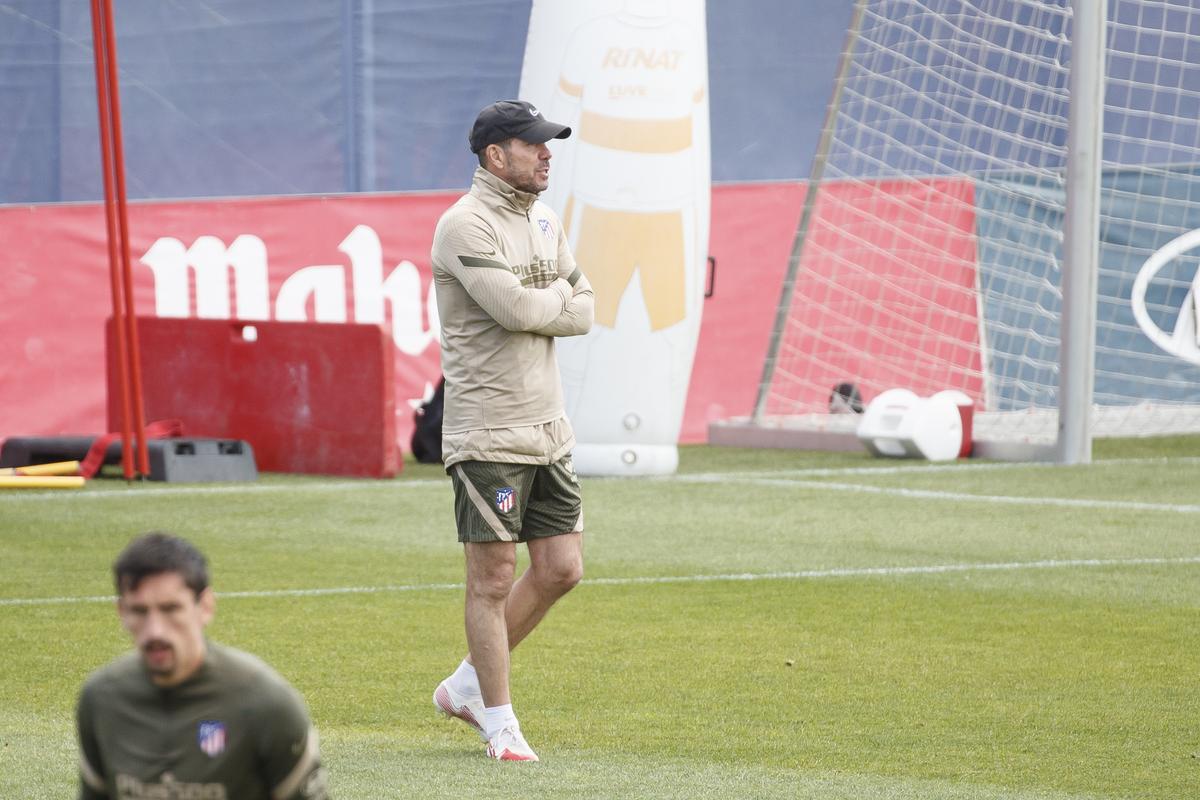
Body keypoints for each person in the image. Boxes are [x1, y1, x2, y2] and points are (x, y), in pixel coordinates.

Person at [429, 99, 595, 762]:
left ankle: (468, 684)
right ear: (497, 156)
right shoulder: (462, 226)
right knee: (493, 578)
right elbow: (518, 307)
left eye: (549, 143)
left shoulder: (546, 219)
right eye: (535, 145)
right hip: (489, 434)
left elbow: (584, 310)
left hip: (548, 429)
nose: (547, 153)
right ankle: (500, 720)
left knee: (562, 569)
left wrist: (547, 305)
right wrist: (551, 302)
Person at [75, 532, 330, 799]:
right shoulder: (102, 699)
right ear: (122, 612)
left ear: (205, 607)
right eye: (139, 611)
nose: (155, 631)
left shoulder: (266, 704)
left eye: (171, 609)